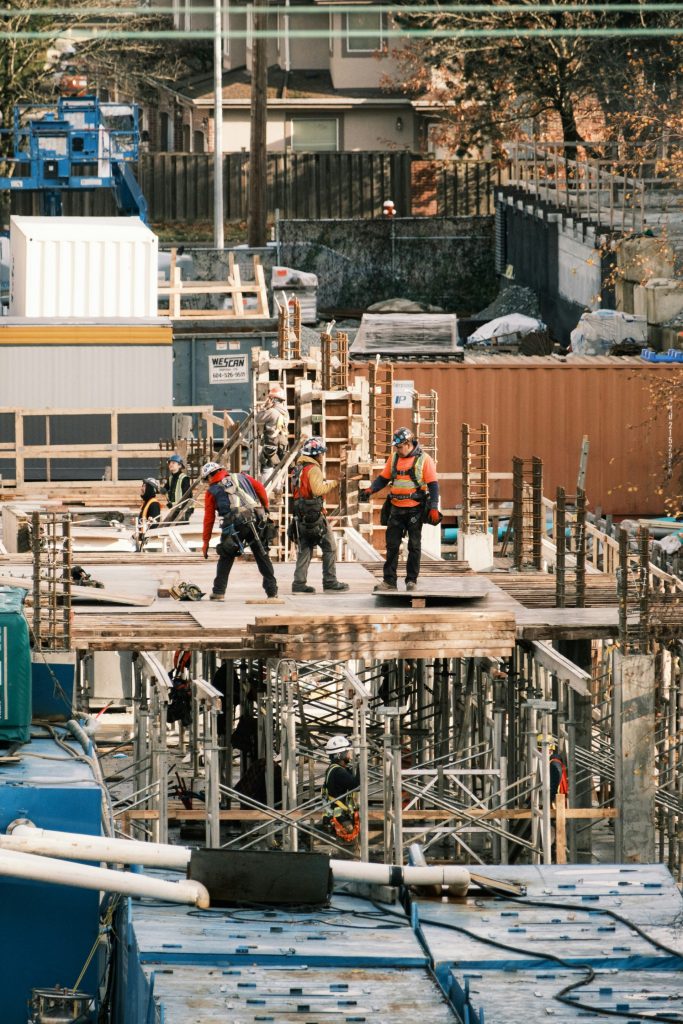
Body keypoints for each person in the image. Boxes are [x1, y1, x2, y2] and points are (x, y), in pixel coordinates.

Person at [361, 428, 441, 591]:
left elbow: (433, 485)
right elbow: (383, 478)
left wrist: (433, 507)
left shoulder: (425, 460)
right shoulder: (394, 458)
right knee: (391, 546)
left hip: (415, 510)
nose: (396, 449)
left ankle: (411, 580)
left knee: (414, 545)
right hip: (396, 509)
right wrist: (371, 490)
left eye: (399, 446)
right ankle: (389, 581)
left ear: (407, 443)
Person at [201, 460, 278, 602]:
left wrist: (205, 542)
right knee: (262, 554)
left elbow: (209, 518)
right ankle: (272, 592)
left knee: (226, 555)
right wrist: (265, 506)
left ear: (210, 476)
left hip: (234, 525)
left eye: (207, 480)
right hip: (255, 519)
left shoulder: (212, 491)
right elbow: (260, 488)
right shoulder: (242, 476)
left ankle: (218, 592)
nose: (208, 483)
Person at [289, 437, 349, 594]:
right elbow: (317, 490)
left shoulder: (297, 469)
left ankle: (299, 583)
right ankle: (330, 581)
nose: (323, 457)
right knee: (330, 547)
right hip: (315, 516)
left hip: (300, 515)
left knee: (305, 548)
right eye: (322, 453)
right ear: (316, 454)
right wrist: (335, 482)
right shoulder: (313, 469)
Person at [322, 734, 360, 843]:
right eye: (347, 751)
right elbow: (356, 786)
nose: (350, 754)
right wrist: (361, 766)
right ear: (340, 755)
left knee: (347, 848)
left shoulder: (334, 769)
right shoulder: (338, 772)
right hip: (342, 819)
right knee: (350, 849)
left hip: (339, 816)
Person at [256, 384, 290, 481]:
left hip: (271, 442)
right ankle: (278, 489)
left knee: (267, 467)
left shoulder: (272, 411)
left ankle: (266, 490)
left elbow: (257, 418)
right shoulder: (285, 412)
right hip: (282, 443)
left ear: (273, 399)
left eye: (270, 398)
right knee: (278, 466)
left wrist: (264, 407)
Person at [162, 453, 193, 523]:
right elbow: (164, 489)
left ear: (179, 465)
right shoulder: (171, 478)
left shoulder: (184, 478)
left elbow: (187, 495)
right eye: (170, 463)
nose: (170, 464)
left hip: (183, 509)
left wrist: (184, 510)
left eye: (173, 463)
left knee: (180, 528)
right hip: (175, 508)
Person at [137, 478, 162, 547]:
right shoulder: (146, 502)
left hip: (147, 541)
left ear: (150, 489)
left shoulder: (154, 504)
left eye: (144, 486)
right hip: (141, 537)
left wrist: (145, 537)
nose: (141, 488)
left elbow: (154, 524)